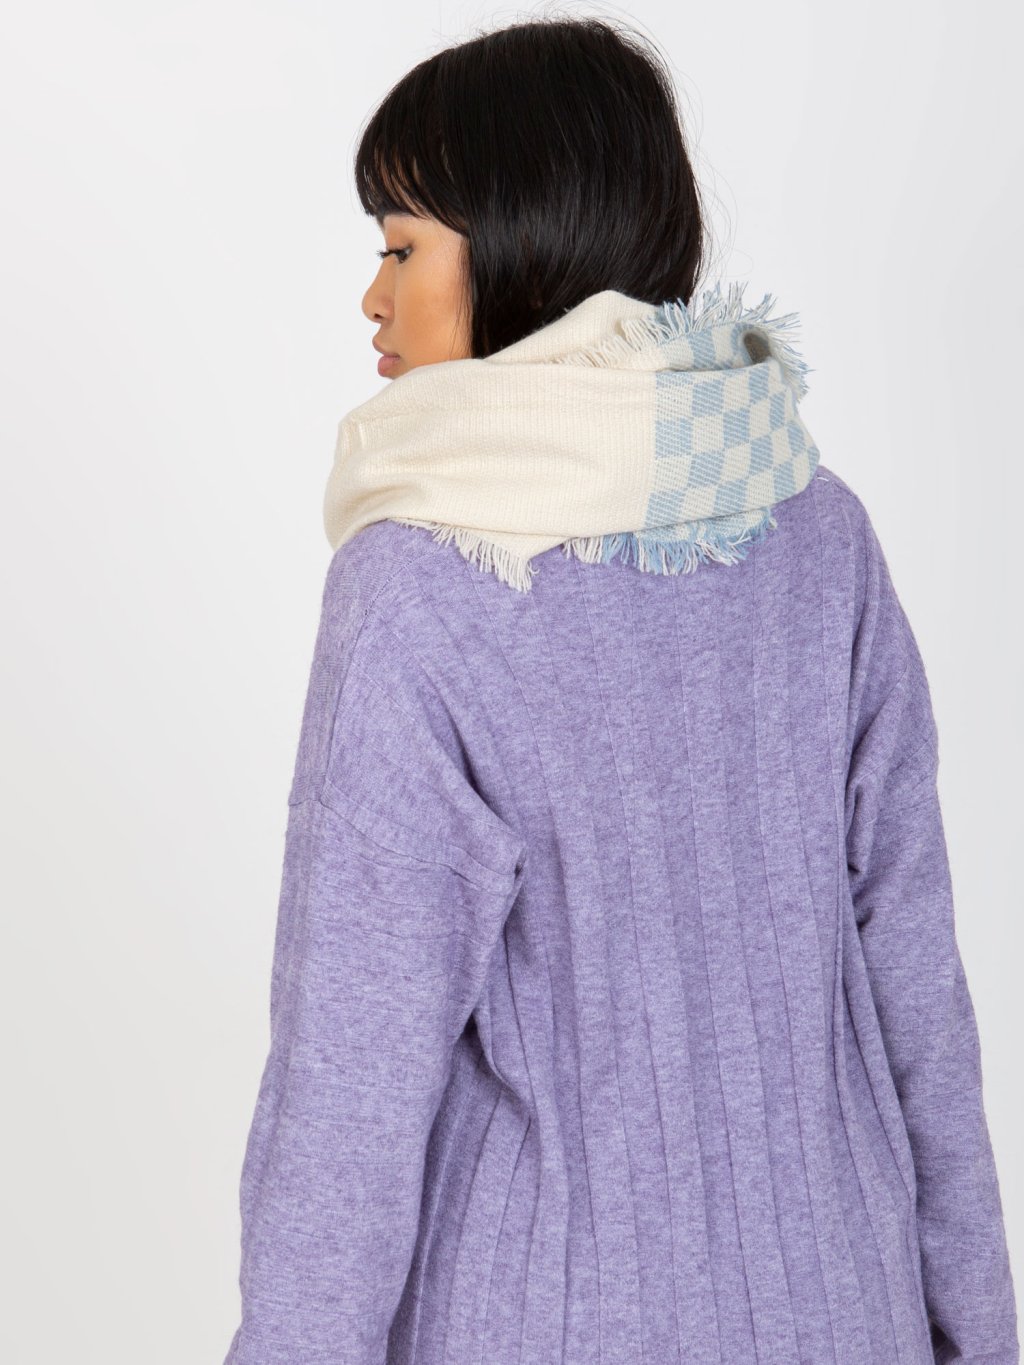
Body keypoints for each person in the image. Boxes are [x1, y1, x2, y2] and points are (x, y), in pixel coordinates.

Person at [222, 15, 1018, 1365]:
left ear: (520, 238)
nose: (373, 299)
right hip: (847, 1308)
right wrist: (981, 1332)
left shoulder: (417, 582)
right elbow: (918, 991)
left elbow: (347, 1093)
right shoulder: (817, 529)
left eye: (400, 248)